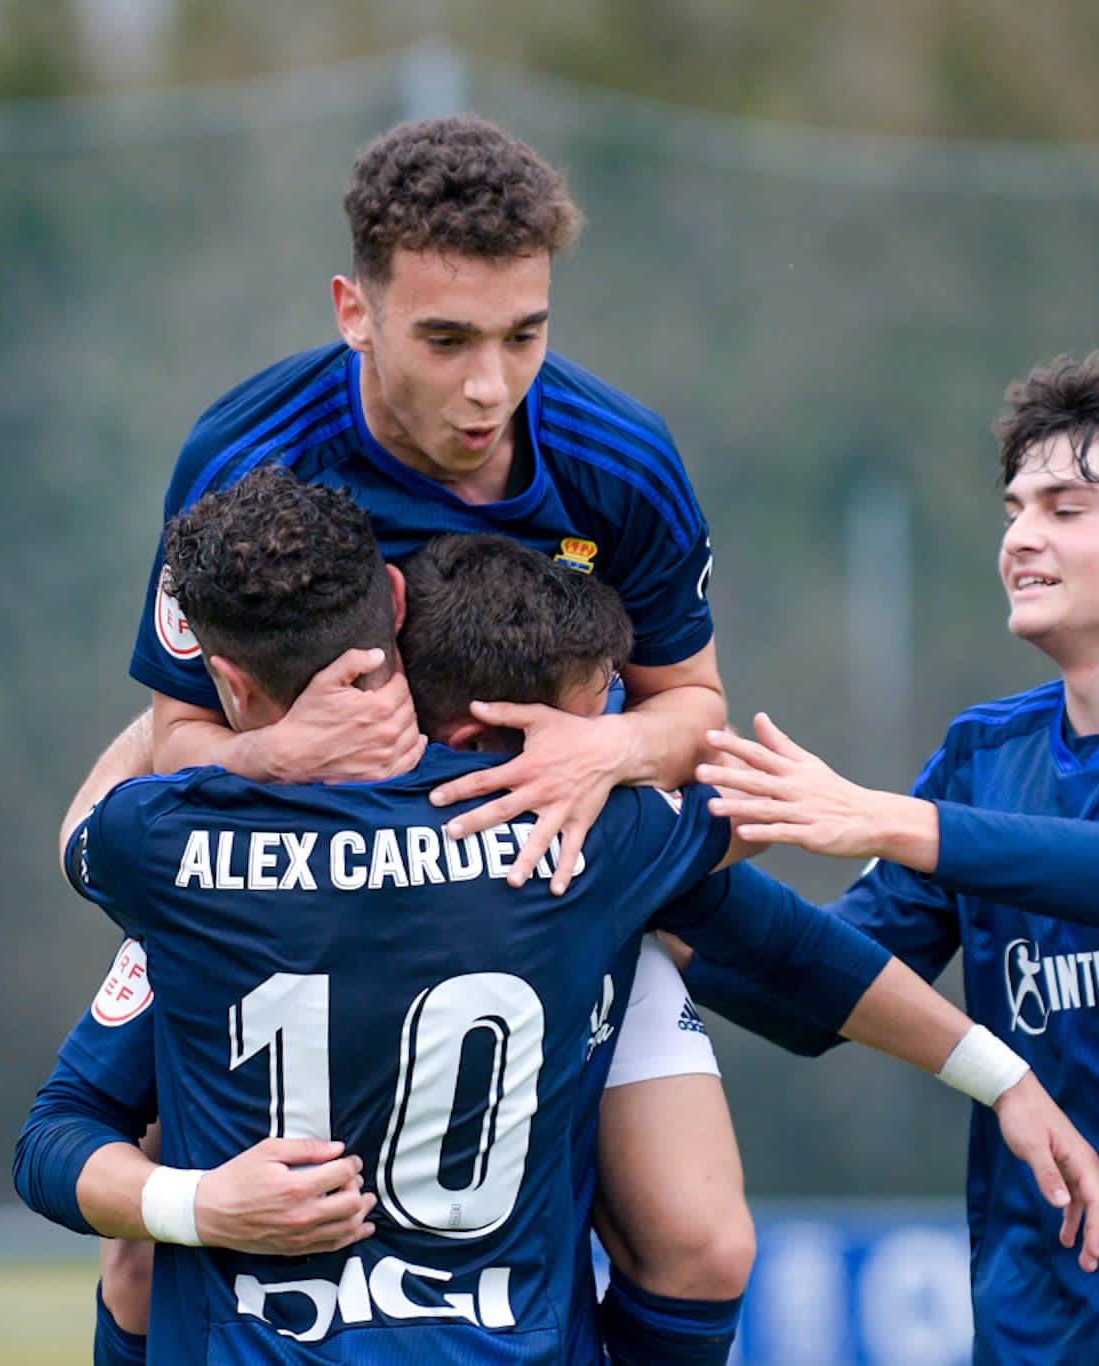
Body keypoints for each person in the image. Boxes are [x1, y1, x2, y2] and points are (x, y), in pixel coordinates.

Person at [15, 470, 1099, 1362]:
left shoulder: (163, 848)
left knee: (137, 1252)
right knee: (700, 1242)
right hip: (511, 1335)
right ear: (391, 617)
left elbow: (53, 1131)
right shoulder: (583, 837)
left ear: (221, 678)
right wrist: (999, 1074)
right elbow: (780, 937)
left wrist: (200, 1206)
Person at [101, 113, 748, 1362]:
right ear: (355, 309)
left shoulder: (618, 462)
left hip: (542, 888)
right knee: (144, 1255)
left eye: (525, 335)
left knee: (701, 1236)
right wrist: (272, 763)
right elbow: (174, 737)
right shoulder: (243, 458)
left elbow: (695, 709)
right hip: (292, 909)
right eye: (444, 339)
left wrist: (600, 753)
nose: (489, 386)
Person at [677, 349, 1099, 1364]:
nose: (1018, 538)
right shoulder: (981, 755)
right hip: (1041, 1326)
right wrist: (664, 897)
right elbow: (815, 991)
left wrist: (883, 820)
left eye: (1065, 507)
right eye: (1012, 509)